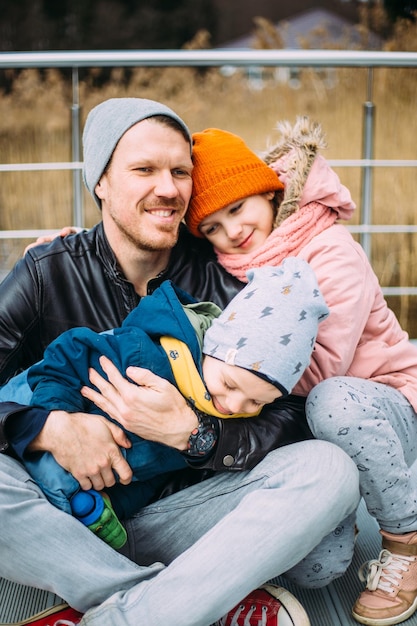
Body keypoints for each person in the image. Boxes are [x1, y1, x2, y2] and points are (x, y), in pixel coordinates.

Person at [0, 98, 360, 626]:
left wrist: (196, 433)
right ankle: (178, 601)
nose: (168, 188)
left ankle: (122, 612)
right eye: (144, 170)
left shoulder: (229, 279)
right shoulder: (46, 271)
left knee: (331, 471)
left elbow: (290, 413)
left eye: (180, 172)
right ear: (100, 181)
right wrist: (49, 428)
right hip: (66, 510)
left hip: (183, 513)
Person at [185, 119, 417, 626]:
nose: (233, 233)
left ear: (268, 192)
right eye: (212, 228)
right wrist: (79, 246)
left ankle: (406, 541)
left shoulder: (330, 248)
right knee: (317, 568)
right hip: (313, 430)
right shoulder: (235, 265)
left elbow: (315, 369)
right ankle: (347, 493)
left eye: (237, 209)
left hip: (384, 404)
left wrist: (224, 384)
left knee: (331, 399)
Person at [2, 258, 328, 552]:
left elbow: (152, 475)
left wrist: (113, 506)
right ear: (211, 348)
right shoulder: (147, 356)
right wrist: (61, 418)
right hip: (33, 419)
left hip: (98, 487)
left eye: (256, 401)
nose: (233, 405)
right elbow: (67, 354)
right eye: (230, 385)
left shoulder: (217, 414)